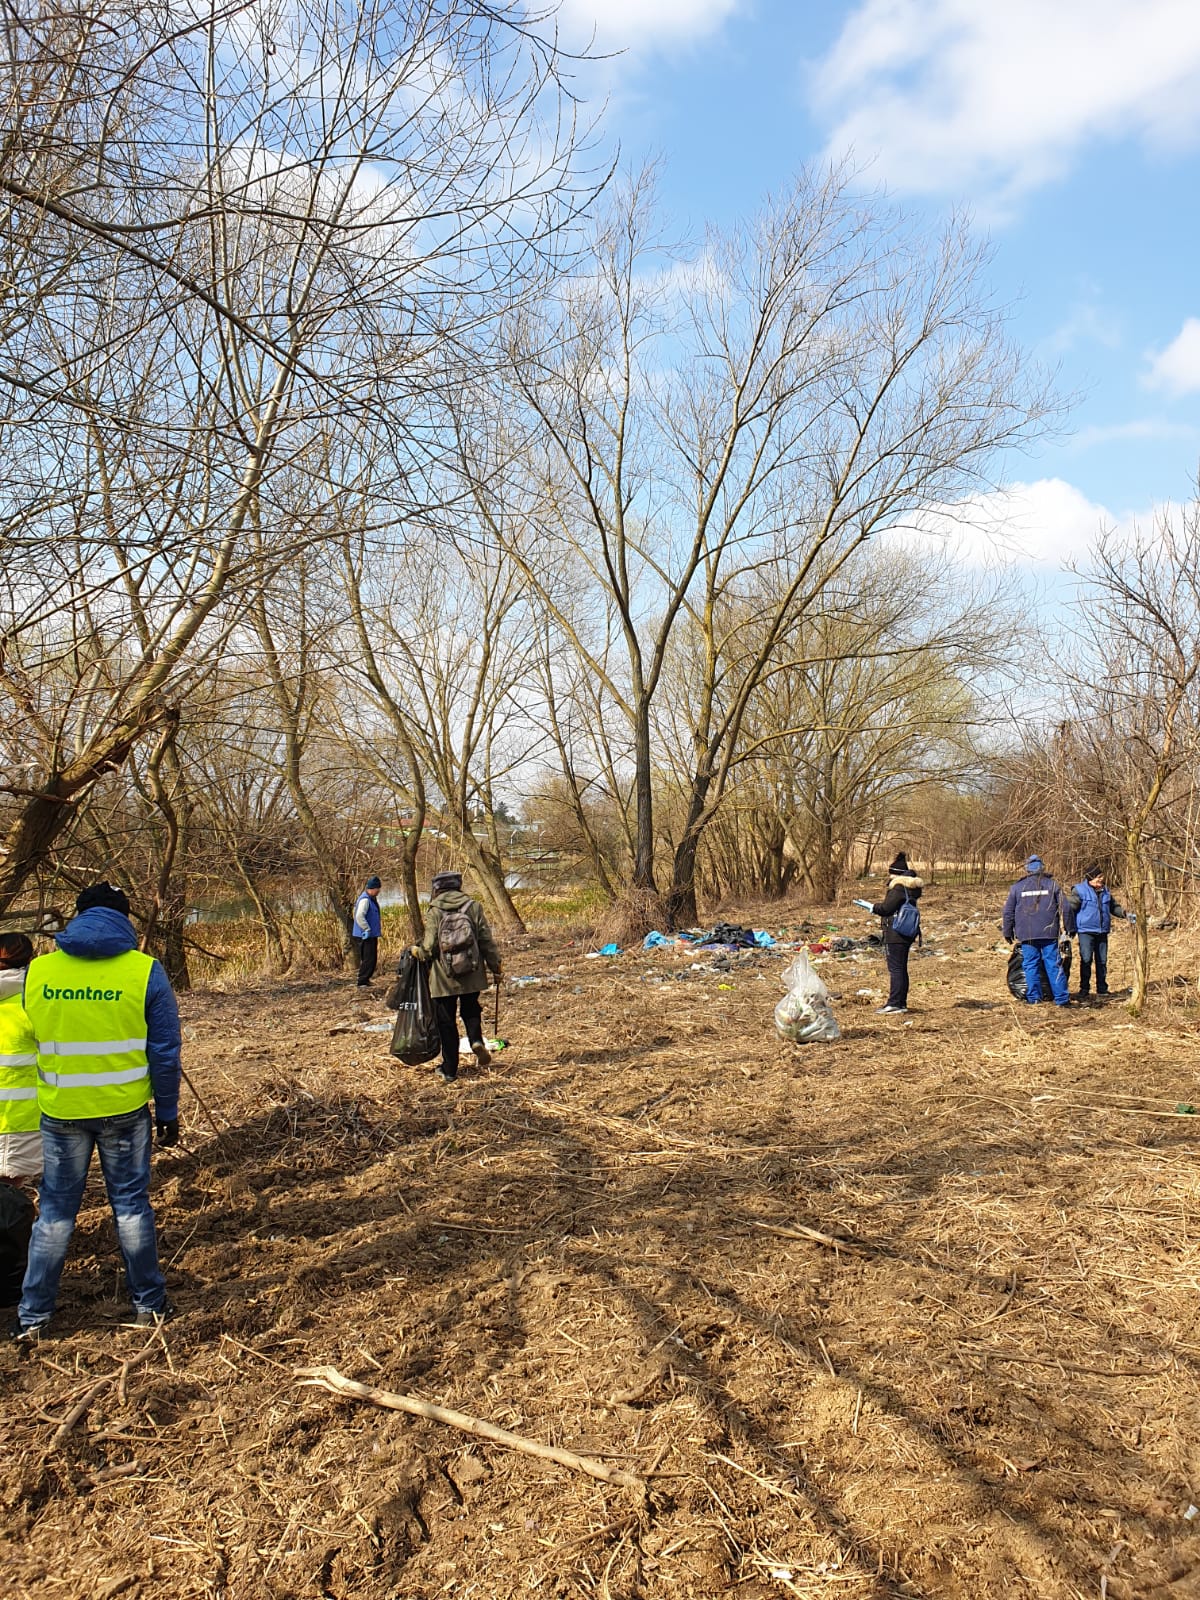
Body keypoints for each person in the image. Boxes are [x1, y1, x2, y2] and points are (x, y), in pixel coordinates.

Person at [10, 882, 181, 1339]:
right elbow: (164, 1052)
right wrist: (168, 1113)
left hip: (61, 1111)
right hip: (125, 1111)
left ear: (77, 916)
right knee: (130, 1208)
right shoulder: (145, 971)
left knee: (54, 1214)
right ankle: (150, 1304)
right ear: (124, 920)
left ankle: (33, 1317)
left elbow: (35, 1034)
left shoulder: (39, 971)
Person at [411, 871, 502, 1085]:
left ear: (437, 889)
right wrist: (496, 966)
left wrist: (418, 952)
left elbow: (430, 945)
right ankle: (476, 1040)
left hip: (444, 977)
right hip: (472, 971)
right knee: (471, 1008)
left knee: (446, 1021)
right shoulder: (473, 906)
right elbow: (485, 940)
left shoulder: (435, 910)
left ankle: (450, 1069)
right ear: (458, 887)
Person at [0, 933, 40, 1305]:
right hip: (20, 1117)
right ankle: (13, 1283)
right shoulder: (34, 997)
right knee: (8, 1198)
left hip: (13, 1115)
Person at [854, 852, 923, 1014]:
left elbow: (886, 908)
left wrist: (871, 907)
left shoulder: (899, 888)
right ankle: (901, 1002)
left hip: (896, 932)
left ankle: (894, 1003)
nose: (889, 877)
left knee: (896, 969)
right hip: (907, 932)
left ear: (896, 874)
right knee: (901, 968)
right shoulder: (911, 889)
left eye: (891, 873)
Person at [1001, 855, 1071, 1008]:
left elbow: (1008, 912)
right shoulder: (1052, 885)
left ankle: (1034, 999)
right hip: (1049, 932)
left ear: (1027, 869)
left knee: (1030, 965)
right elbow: (1065, 908)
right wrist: (1069, 927)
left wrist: (1007, 931)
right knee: (1053, 965)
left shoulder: (1017, 888)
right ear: (1042, 868)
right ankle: (1062, 999)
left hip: (1027, 934)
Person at [1064, 866, 1133, 1000]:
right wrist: (1068, 928)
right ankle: (1084, 989)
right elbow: (1069, 909)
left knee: (1102, 961)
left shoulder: (1106, 891)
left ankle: (1102, 989)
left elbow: (1113, 907)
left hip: (1102, 931)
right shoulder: (1079, 891)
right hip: (1086, 931)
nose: (1101, 880)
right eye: (1098, 878)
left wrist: (1125, 914)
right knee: (1086, 959)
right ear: (1090, 878)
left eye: (1101, 878)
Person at [352, 875, 382, 987]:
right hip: (365, 935)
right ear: (372, 888)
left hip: (370, 935)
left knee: (371, 958)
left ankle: (365, 980)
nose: (379, 891)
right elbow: (359, 916)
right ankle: (362, 981)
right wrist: (366, 928)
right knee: (368, 959)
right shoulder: (365, 900)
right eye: (378, 889)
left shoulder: (370, 899)